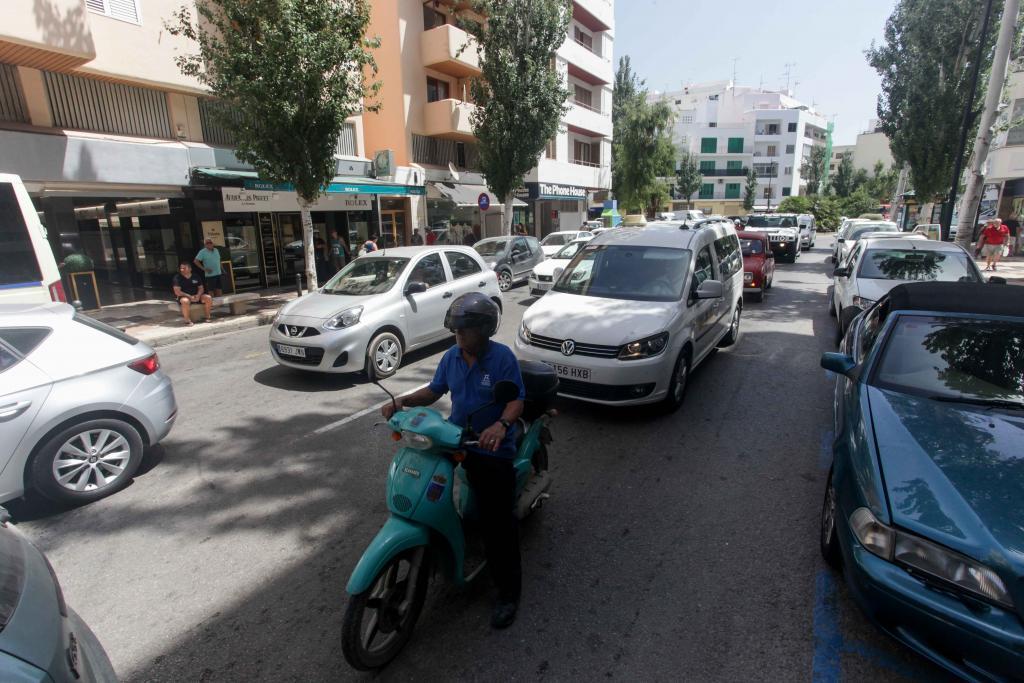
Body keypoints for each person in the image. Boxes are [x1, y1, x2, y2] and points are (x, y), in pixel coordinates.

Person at [381, 293, 525, 629]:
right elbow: (434, 391)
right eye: (456, 330)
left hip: (490, 449)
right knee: (426, 488)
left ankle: (508, 593)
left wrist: (501, 426)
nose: (458, 335)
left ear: (484, 329)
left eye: (465, 330)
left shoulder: (502, 358)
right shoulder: (452, 357)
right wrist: (401, 402)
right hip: (456, 440)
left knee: (499, 526)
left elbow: (516, 400)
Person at [172, 261, 212, 326]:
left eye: (184, 268)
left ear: (190, 269)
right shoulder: (177, 278)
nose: (182, 270)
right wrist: (189, 296)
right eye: (181, 268)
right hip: (184, 296)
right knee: (185, 301)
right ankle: (187, 320)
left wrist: (198, 295)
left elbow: (201, 288)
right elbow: (177, 292)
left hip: (196, 296)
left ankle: (208, 317)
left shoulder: (195, 276)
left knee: (208, 298)